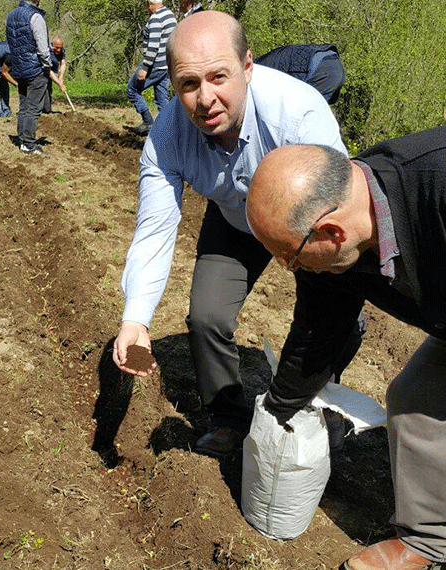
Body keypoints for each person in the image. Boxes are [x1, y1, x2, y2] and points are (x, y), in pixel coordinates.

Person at [112, 11, 364, 458]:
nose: (205, 99)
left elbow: (337, 213)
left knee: (332, 314)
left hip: (301, 225)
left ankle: (320, 399)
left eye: (218, 77)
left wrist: (331, 303)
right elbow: (154, 230)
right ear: (171, 84)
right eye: (188, 84)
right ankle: (227, 420)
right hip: (233, 219)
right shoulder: (167, 136)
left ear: (248, 67)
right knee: (207, 316)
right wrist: (136, 319)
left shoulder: (299, 113)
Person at [245, 128, 446, 570]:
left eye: (289, 257)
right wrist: (281, 409)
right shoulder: (343, 227)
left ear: (331, 232)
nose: (288, 266)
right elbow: (319, 330)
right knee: (414, 399)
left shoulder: (438, 187)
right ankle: (428, 542)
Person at [6, 0, 52, 155]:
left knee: (24, 107)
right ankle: (30, 145)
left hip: (19, 69)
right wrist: (47, 66)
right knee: (33, 109)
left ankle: (22, 140)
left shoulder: (11, 15)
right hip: (35, 70)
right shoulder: (36, 17)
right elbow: (43, 49)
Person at [126, 0, 177, 135]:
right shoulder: (170, 15)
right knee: (161, 98)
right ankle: (170, 130)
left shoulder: (155, 18)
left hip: (154, 65)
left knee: (131, 90)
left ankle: (148, 123)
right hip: (165, 65)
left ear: (149, 3)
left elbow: (153, 47)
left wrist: (144, 67)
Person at [254, 44, 346, 104]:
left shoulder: (258, 74)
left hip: (322, 69)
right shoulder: (266, 63)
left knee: (302, 111)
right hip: (331, 61)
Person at [43, 35, 67, 114]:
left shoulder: (61, 51)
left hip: (50, 73)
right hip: (41, 72)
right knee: (43, 89)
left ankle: (47, 110)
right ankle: (41, 111)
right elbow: (49, 71)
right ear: (52, 45)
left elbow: (63, 64)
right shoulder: (47, 51)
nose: (59, 50)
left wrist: (61, 79)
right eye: (57, 47)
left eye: (60, 47)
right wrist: (59, 84)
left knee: (49, 89)